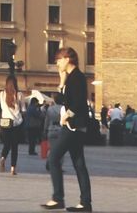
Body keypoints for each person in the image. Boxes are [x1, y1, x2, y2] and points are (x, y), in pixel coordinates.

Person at [42, 46, 93, 212]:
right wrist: (62, 81)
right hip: (74, 126)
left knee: (53, 158)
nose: (57, 63)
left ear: (67, 59)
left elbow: (78, 101)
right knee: (79, 163)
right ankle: (85, 203)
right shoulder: (71, 77)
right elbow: (62, 99)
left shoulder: (77, 77)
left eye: (59, 59)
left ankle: (58, 198)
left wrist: (67, 115)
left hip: (73, 125)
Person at [0, 75, 24, 174]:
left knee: (7, 143)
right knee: (14, 146)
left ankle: (3, 157)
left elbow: (2, 107)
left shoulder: (1, 94)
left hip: (5, 122)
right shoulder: (19, 95)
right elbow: (23, 109)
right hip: (16, 123)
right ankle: (13, 168)